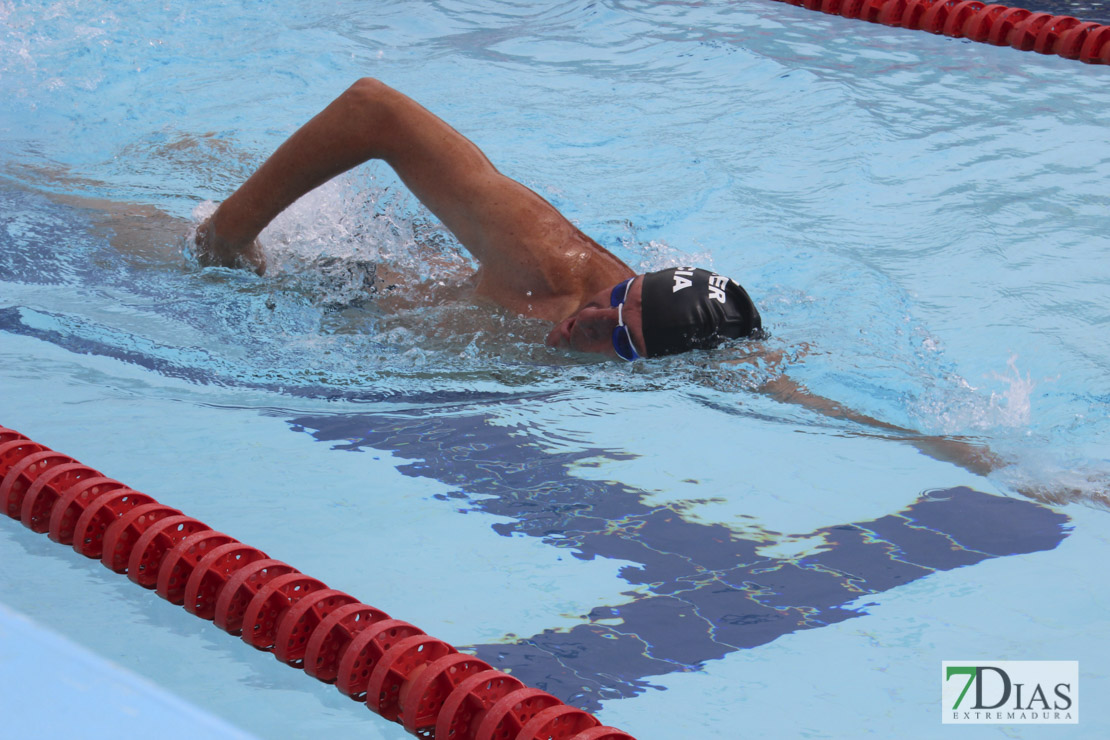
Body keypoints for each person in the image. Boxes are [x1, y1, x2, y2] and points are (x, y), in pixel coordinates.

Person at [194, 78, 762, 362]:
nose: (590, 317)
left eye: (619, 338)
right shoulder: (546, 261)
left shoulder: (679, 361)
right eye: (616, 295)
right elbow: (372, 108)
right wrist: (228, 234)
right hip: (325, 285)